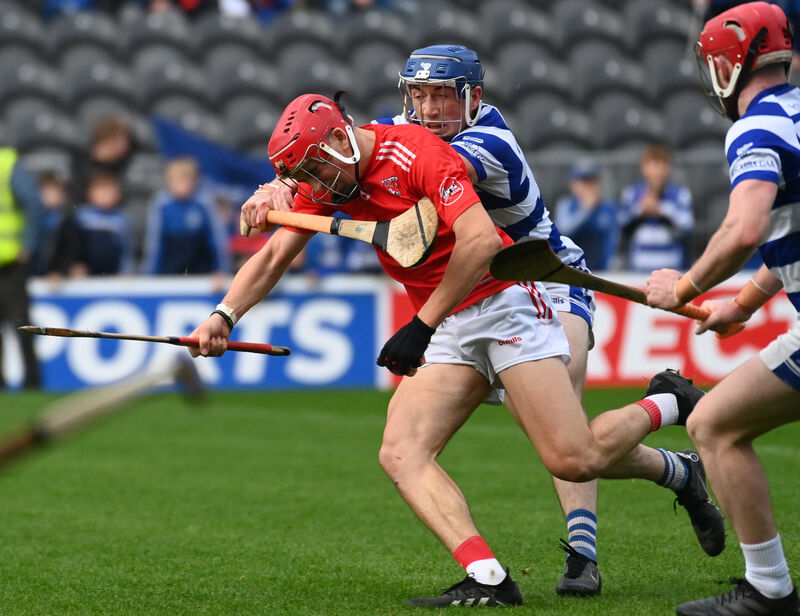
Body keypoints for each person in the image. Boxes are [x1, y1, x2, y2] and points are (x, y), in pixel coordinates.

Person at [190, 92, 724, 607]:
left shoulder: (418, 153)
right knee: (401, 451)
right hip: (447, 323)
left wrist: (420, 325)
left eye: (315, 169)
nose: (315, 184)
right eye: (303, 177)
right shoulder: (330, 181)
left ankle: (669, 403)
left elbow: (482, 241)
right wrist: (223, 316)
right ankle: (487, 576)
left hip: (503, 304)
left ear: (338, 139)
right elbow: (273, 257)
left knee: (573, 459)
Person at [379, 44, 717, 594]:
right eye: (420, 95)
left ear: (473, 97)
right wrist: (290, 183)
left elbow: (411, 171)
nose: (430, 109)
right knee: (565, 443)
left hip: (553, 280)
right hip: (489, 291)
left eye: (443, 96)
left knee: (569, 432)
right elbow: (364, 149)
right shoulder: (409, 131)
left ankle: (583, 556)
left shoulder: (486, 143)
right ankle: (678, 468)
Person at [646, 3, 800, 614]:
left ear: (727, 66)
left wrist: (683, 289)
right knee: (716, 421)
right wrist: (741, 303)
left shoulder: (756, 126)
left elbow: (745, 228)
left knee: (713, 426)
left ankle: (769, 590)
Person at [141, 156, 231, 285]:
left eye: (184, 180)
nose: (180, 185)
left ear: (194, 181)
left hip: (201, 274)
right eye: (176, 180)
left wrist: (221, 271)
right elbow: (155, 244)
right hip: (170, 273)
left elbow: (216, 241)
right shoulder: (161, 205)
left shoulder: (204, 204)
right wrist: (149, 276)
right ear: (169, 182)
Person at [0, 147, 42, 389]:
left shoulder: (6, 163)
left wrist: (29, 244)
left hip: (11, 261)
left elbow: (33, 204)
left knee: (21, 323)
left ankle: (32, 381)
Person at [618, 143, 694, 273]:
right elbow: (621, 223)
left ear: (668, 168)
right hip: (638, 271)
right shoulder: (631, 194)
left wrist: (661, 210)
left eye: (660, 165)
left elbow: (687, 226)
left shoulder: (680, 194)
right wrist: (640, 210)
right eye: (652, 165)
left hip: (671, 270)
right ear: (643, 168)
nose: (656, 172)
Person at [554, 159, 619, 271]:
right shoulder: (566, 205)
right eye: (583, 182)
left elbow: (613, 242)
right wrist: (585, 210)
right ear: (573, 184)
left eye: (591, 181)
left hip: (601, 272)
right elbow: (563, 232)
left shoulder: (608, 207)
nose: (588, 187)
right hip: (573, 270)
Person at [72, 171, 134, 276]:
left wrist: (125, 270)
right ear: (90, 193)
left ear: (118, 195)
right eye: (101, 192)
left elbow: (126, 249)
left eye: (109, 193)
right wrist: (75, 265)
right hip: (84, 274)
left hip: (112, 274)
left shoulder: (122, 219)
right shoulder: (82, 216)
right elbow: (74, 246)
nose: (105, 196)